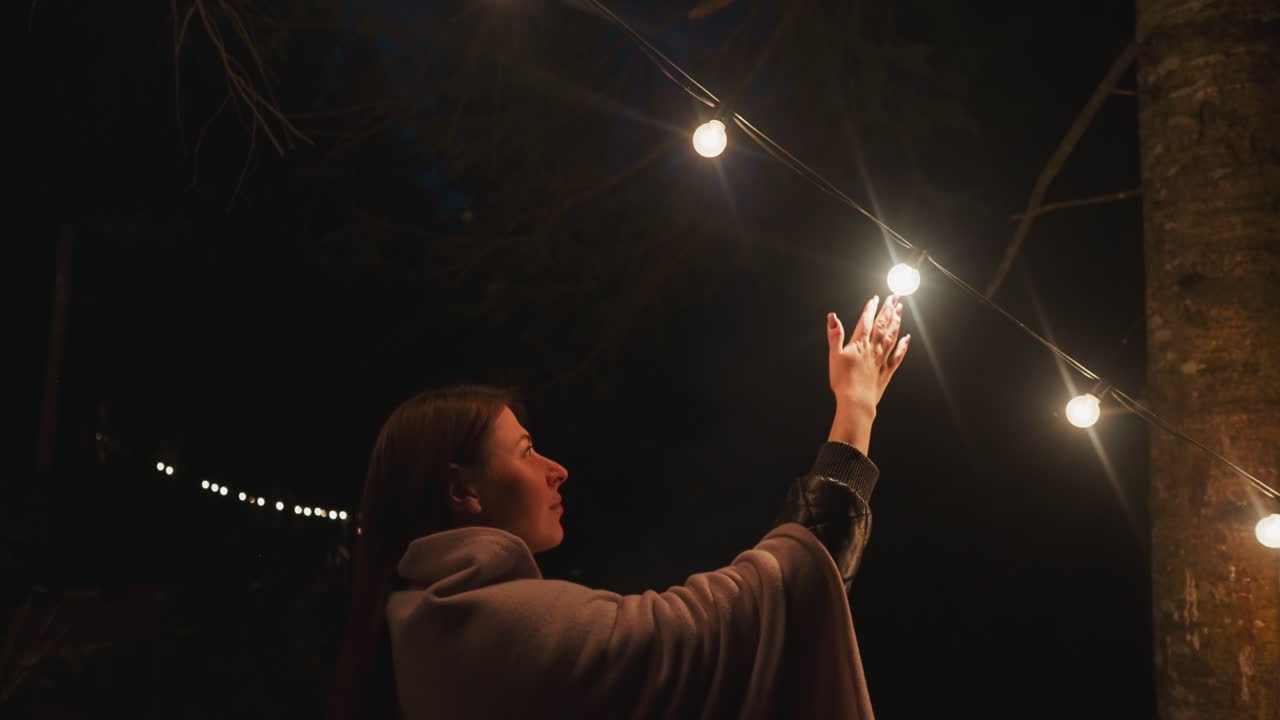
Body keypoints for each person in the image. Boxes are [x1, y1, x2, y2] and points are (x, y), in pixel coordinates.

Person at [330, 295, 910, 720]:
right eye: (526, 451)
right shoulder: (490, 637)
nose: (557, 469)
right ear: (462, 491)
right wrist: (855, 410)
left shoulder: (422, 633)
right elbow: (746, 621)